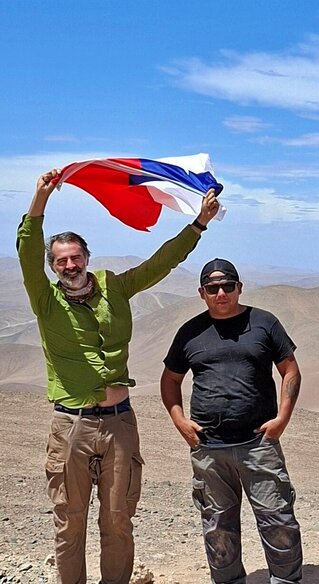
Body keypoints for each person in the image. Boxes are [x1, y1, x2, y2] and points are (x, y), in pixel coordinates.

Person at [17, 168, 220, 584]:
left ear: (86, 258)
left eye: (76, 257)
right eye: (61, 260)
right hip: (70, 426)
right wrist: (41, 198)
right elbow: (26, 249)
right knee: (69, 523)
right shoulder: (46, 300)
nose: (70, 265)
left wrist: (198, 224)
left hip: (119, 423)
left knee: (118, 521)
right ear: (52, 266)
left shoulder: (115, 288)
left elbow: (161, 264)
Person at [160, 258, 303, 584]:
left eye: (227, 286)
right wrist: (179, 421)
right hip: (209, 447)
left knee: (277, 520)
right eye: (213, 288)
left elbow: (290, 371)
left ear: (239, 287)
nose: (221, 293)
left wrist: (282, 418)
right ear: (202, 293)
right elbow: (170, 380)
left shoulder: (264, 323)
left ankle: (286, 580)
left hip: (258, 444)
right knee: (218, 527)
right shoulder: (191, 332)